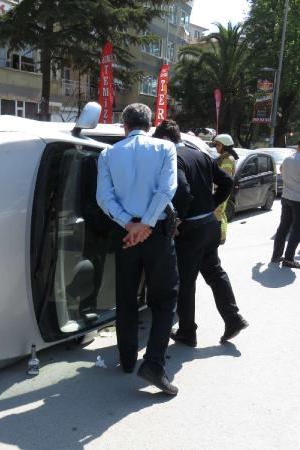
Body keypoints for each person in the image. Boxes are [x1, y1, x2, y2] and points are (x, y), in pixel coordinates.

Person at [97, 104, 179, 395]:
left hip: (126, 235)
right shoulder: (165, 149)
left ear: (124, 125)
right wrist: (145, 225)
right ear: (150, 123)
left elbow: (103, 197)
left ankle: (127, 358)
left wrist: (131, 225)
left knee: (126, 297)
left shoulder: (108, 154)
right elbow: (166, 190)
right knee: (165, 298)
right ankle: (154, 364)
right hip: (153, 233)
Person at [153, 121, 248, 347]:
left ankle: (187, 331)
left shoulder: (173, 159)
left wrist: (179, 218)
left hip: (192, 231)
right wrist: (211, 206)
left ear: (165, 140)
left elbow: (183, 192)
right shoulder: (199, 154)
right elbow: (227, 182)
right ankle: (233, 318)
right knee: (215, 272)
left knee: (186, 281)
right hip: (210, 225)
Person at [271, 135, 300, 269]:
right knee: (297, 230)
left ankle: (276, 256)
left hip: (286, 198)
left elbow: (281, 170)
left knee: (283, 228)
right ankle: (289, 259)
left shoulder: (288, 159)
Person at [212, 134, 239, 243]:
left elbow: (224, 179)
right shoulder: (224, 157)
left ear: (225, 146)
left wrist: (215, 191)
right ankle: (222, 236)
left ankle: (219, 237)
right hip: (221, 191)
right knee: (221, 213)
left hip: (221, 191)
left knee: (218, 213)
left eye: (218, 145)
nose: (216, 147)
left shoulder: (227, 160)